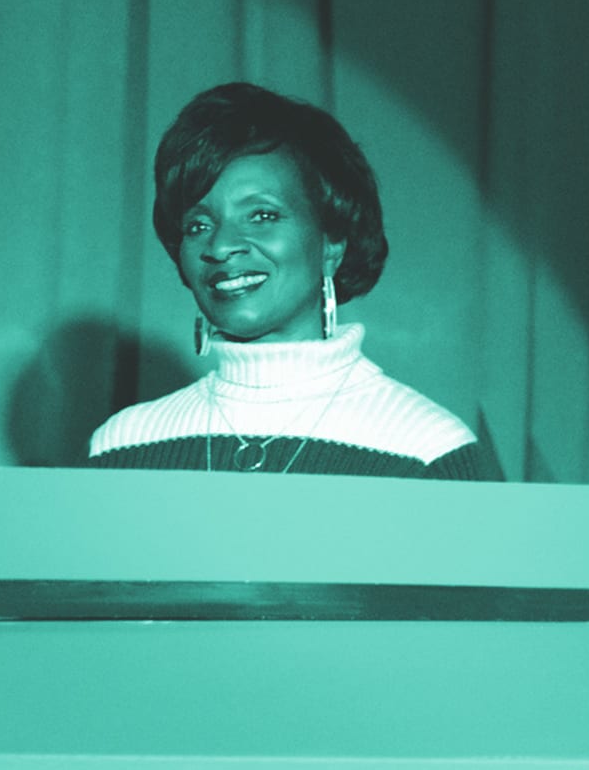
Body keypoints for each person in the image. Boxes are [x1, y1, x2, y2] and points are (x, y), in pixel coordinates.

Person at [89, 82, 498, 479]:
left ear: (331, 243)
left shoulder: (427, 449)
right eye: (198, 225)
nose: (221, 245)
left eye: (262, 216)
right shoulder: (123, 445)